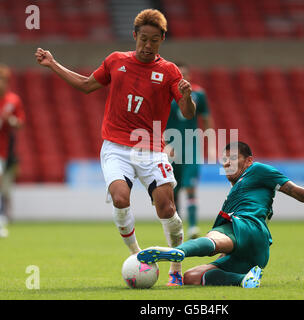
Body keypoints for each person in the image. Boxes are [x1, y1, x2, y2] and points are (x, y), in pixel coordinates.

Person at [35, 9, 196, 286]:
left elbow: (188, 113)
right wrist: (52, 63)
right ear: (134, 35)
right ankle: (137, 257)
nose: (148, 45)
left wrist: (187, 97)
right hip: (116, 147)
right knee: (121, 199)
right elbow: (86, 85)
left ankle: (175, 268)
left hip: (152, 148)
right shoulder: (116, 61)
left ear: (162, 40)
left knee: (167, 208)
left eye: (154, 40)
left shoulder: (169, 71)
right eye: (143, 39)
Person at [137, 141, 304, 288]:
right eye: (224, 160)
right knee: (192, 277)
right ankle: (244, 280)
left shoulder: (258, 170)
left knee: (217, 235)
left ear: (248, 160)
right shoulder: (237, 189)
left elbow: (296, 191)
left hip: (248, 227)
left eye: (233, 158)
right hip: (254, 254)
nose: (227, 163)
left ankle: (177, 252)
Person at [165, 62, 213, 239]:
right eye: (179, 75)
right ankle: (176, 227)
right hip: (170, 148)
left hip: (191, 147)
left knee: (191, 186)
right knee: (173, 190)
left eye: (185, 74)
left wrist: (212, 143)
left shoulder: (199, 94)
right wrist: (162, 143)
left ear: (190, 76)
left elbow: (206, 118)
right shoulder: (165, 94)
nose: (182, 78)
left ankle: (193, 227)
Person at [0, 64, 25, 238]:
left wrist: (13, 121)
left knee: (3, 184)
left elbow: (20, 122)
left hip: (3, 150)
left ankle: (2, 217)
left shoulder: (13, 100)